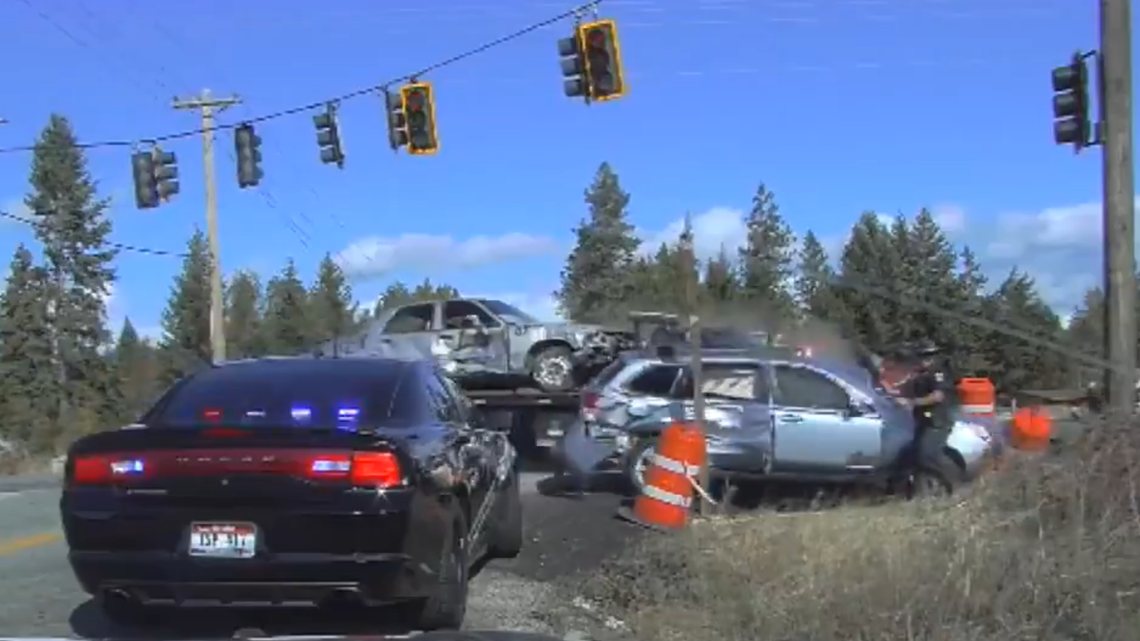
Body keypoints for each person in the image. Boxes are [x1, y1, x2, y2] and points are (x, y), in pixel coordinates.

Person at [890, 341, 955, 497]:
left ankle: (947, 488)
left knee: (926, 456)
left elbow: (937, 396)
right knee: (909, 458)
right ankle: (909, 493)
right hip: (922, 422)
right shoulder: (919, 373)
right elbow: (904, 388)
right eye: (921, 356)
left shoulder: (937, 373)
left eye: (928, 356)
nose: (924, 359)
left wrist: (910, 403)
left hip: (936, 423)